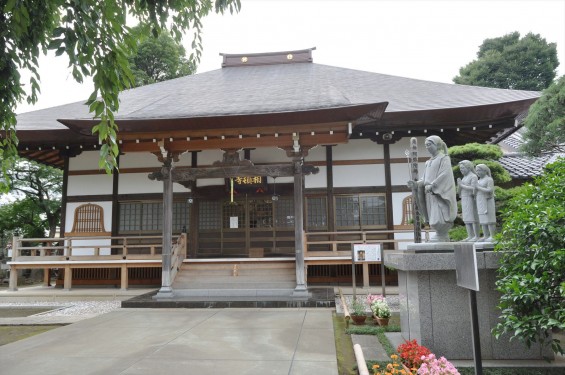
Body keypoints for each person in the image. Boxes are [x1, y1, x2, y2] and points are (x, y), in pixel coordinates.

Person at [407, 136, 457, 242]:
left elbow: (445, 174)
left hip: (438, 193)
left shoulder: (444, 158)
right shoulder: (428, 162)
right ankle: (439, 234)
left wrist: (434, 185)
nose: (427, 147)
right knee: (432, 215)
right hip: (429, 193)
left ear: (437, 145)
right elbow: (424, 179)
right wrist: (416, 184)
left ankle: (442, 234)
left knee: (440, 216)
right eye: (426, 145)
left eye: (429, 144)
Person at [457, 160, 480, 241]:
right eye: (460, 168)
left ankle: (476, 236)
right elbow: (460, 189)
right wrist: (459, 186)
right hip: (464, 198)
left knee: (473, 217)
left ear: (469, 167)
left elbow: (474, 188)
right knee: (467, 218)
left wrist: (461, 185)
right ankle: (470, 235)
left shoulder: (473, 176)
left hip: (471, 198)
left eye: (463, 168)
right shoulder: (464, 177)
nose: (461, 170)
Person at [475, 164, 497, 242]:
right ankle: (485, 235)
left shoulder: (489, 179)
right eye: (476, 170)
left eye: (479, 170)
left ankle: (492, 235)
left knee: (489, 218)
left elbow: (490, 190)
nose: (477, 172)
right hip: (480, 199)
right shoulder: (478, 180)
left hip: (487, 200)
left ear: (485, 171)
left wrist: (478, 187)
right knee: (482, 218)